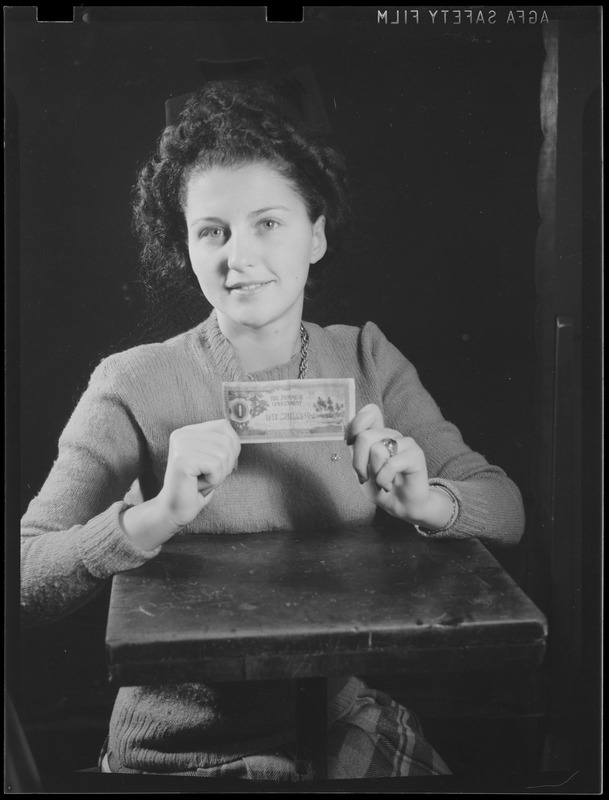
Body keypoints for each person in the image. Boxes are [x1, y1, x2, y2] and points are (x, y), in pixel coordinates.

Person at [20, 79, 525, 781]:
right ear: (186, 247)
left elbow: (504, 507)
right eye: (212, 231)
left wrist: (426, 501)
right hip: (179, 752)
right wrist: (151, 517)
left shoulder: (364, 358)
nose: (238, 256)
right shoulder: (131, 382)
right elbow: (25, 577)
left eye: (268, 222)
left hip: (335, 721)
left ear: (314, 234)